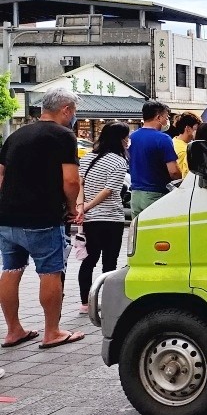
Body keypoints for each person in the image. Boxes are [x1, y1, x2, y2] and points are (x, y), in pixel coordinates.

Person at [0, 89, 85, 350]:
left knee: (11, 270)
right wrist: (72, 207)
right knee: (50, 271)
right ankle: (52, 331)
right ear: (67, 110)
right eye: (74, 112)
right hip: (43, 217)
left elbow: (1, 175)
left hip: (7, 217)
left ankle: (13, 330)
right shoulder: (63, 136)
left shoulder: (16, 135)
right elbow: (71, 180)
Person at [75, 122, 129, 313]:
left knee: (89, 260)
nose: (127, 141)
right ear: (120, 139)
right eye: (126, 137)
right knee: (109, 262)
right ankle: (107, 302)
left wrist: (81, 207)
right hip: (111, 218)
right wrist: (87, 206)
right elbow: (109, 190)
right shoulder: (119, 161)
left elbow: (79, 185)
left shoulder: (88, 157)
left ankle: (85, 303)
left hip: (90, 220)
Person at [129, 102, 181, 218]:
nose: (167, 121)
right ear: (158, 117)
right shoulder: (163, 139)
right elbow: (173, 171)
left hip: (135, 194)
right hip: (156, 194)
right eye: (166, 117)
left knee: (140, 232)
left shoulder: (132, 137)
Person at [170, 112, 201, 178]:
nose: (199, 131)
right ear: (188, 129)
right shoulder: (185, 151)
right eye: (196, 129)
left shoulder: (174, 141)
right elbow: (185, 176)